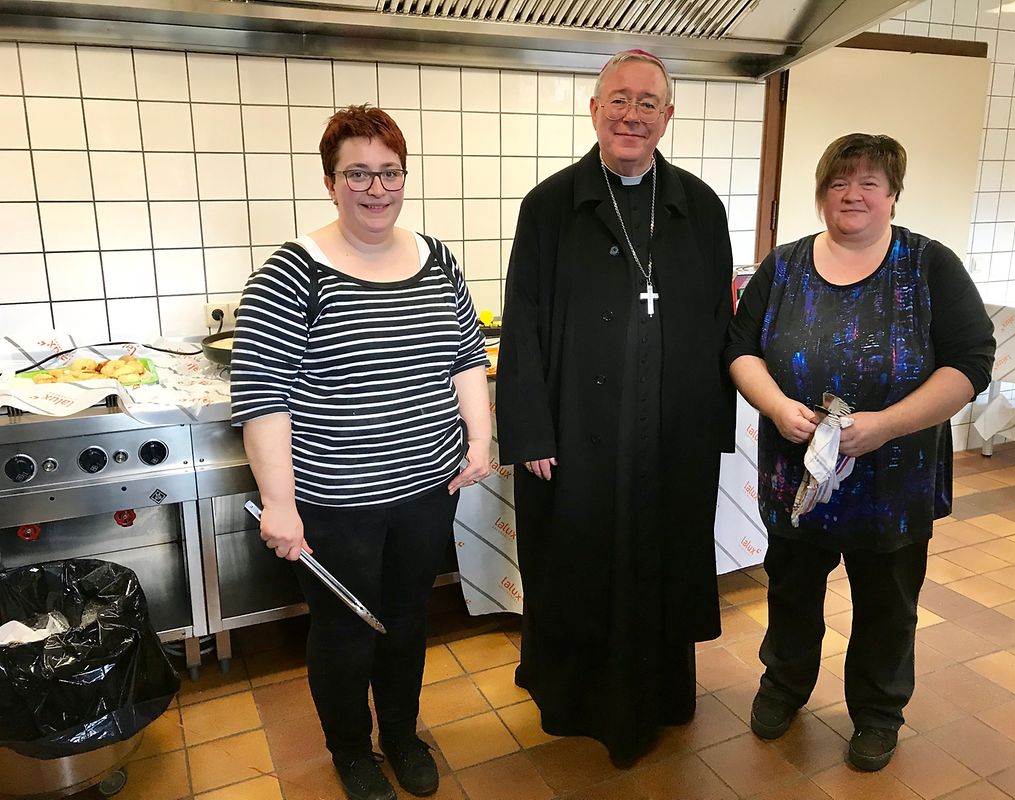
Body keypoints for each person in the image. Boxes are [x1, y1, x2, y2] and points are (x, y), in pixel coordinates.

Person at [230, 104, 491, 800]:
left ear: (404, 177)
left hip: (427, 490)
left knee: (406, 622)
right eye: (358, 174)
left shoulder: (437, 259)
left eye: (389, 172)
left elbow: (467, 355)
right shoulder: (293, 272)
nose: (376, 189)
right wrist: (280, 504)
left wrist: (479, 440)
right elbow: (261, 396)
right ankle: (351, 750)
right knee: (345, 633)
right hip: (336, 503)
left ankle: (401, 734)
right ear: (330, 182)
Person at [494, 50, 736, 766]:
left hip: (670, 436)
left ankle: (661, 695)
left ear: (668, 116)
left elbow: (720, 326)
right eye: (619, 100)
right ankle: (574, 697)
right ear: (595, 110)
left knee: (662, 559)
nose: (633, 115)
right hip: (576, 435)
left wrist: (710, 432)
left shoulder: (700, 207)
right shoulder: (549, 205)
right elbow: (523, 323)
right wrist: (530, 430)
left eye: (648, 103)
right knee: (577, 562)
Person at [726, 133, 995, 771]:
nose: (853, 195)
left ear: (893, 195)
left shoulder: (928, 266)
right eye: (839, 183)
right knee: (791, 592)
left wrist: (886, 426)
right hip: (799, 475)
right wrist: (777, 406)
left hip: (893, 481)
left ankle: (877, 713)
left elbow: (971, 362)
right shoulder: (783, 267)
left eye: (869, 183)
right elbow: (739, 349)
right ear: (821, 193)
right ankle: (783, 686)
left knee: (887, 604)